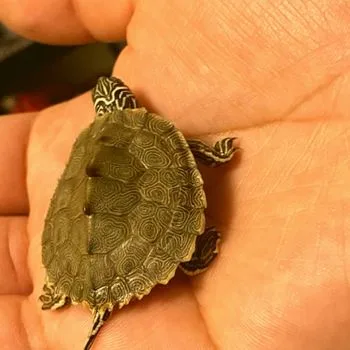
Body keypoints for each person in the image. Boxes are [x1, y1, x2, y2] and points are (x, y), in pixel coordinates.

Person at [1, 1, 350, 348]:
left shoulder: (87, 144)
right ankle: (191, 256)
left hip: (79, 267)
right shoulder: (141, 134)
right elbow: (186, 150)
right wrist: (218, 156)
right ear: (126, 102)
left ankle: (64, 283)